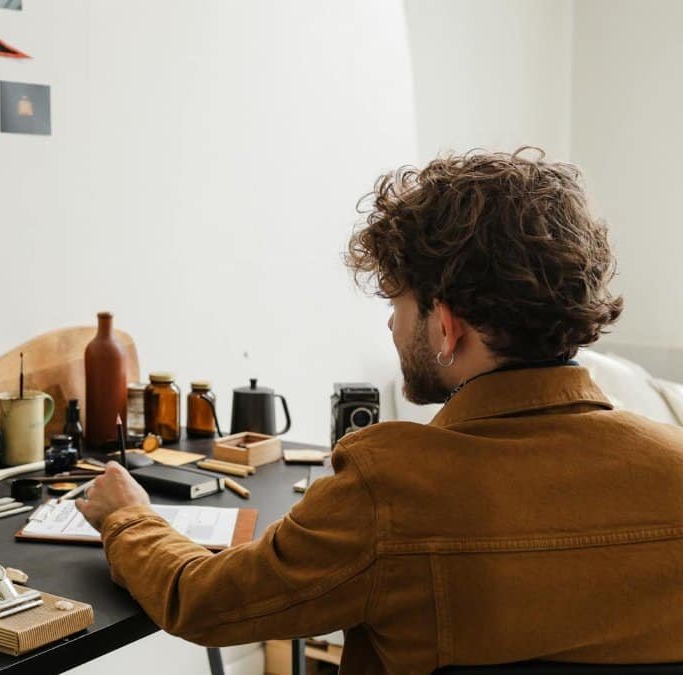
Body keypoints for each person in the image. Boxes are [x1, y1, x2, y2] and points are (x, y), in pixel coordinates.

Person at [76, 148, 683, 673]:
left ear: (445, 327)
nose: (393, 325)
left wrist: (128, 518)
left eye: (398, 301)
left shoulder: (389, 487)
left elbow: (203, 600)